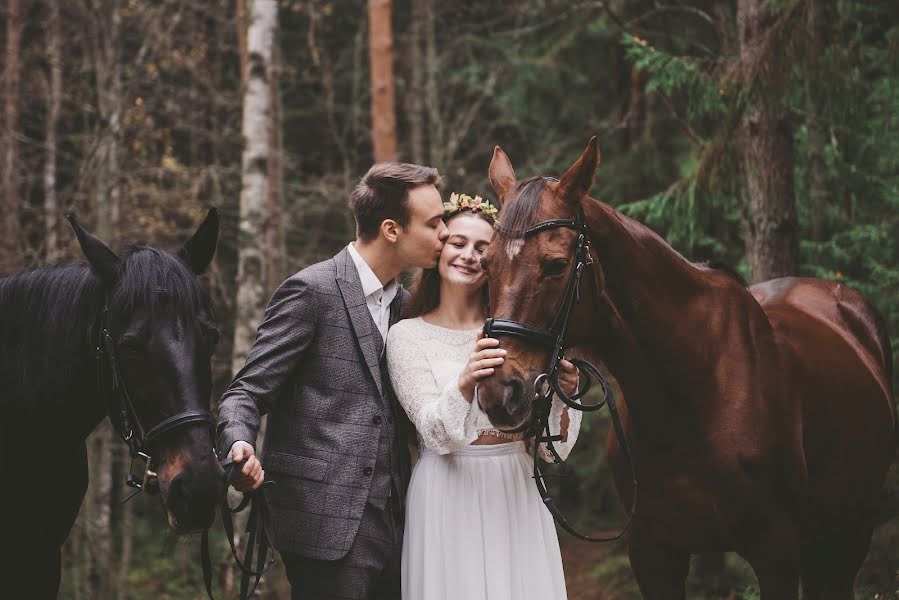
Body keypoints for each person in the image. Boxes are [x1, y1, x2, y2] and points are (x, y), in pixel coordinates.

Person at [217, 162, 449, 599]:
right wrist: (238, 443)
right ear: (391, 229)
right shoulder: (312, 292)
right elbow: (246, 391)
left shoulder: (407, 306)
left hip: (399, 525)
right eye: (434, 222)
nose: (444, 233)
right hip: (321, 524)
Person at [386, 193, 582, 600]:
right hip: (447, 490)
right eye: (458, 243)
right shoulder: (407, 336)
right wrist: (465, 382)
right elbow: (435, 436)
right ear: (440, 250)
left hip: (515, 484)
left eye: (482, 248)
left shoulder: (518, 337)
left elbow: (552, 452)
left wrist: (564, 396)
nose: (469, 256)